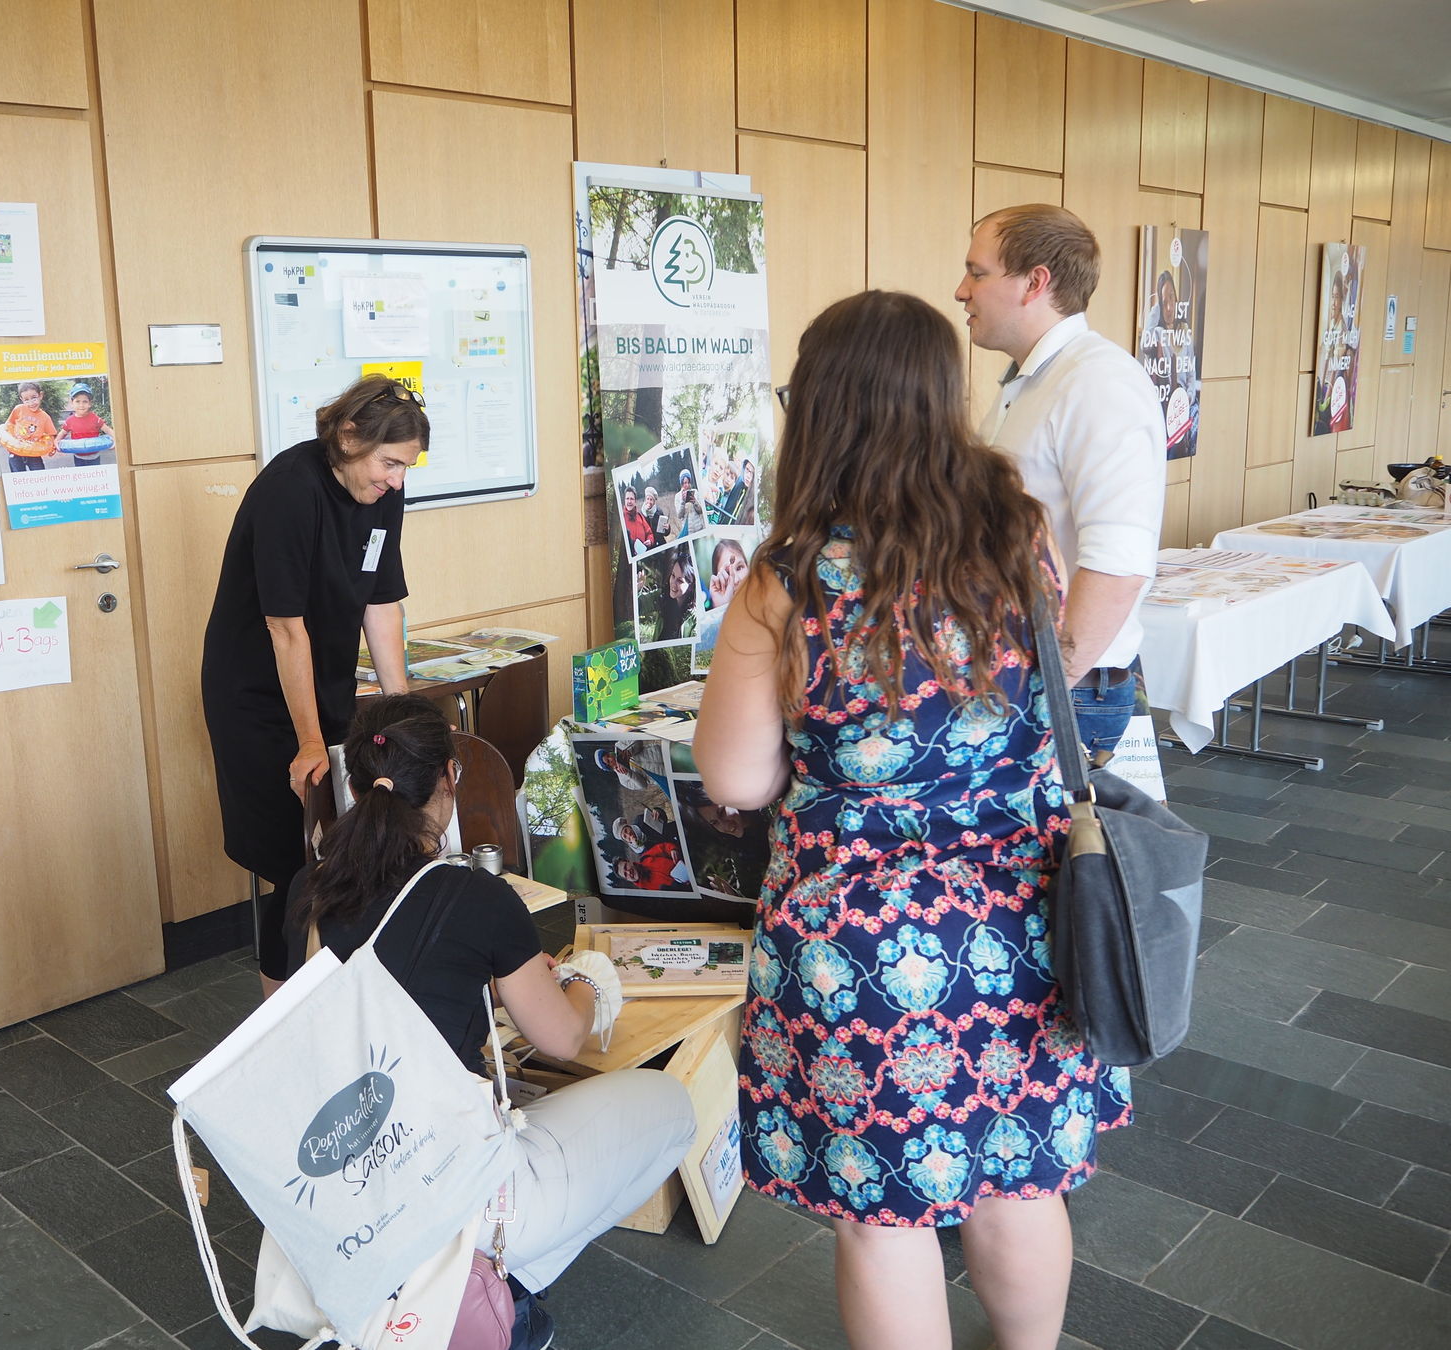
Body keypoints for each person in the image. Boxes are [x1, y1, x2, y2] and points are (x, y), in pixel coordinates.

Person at [693, 291, 1130, 1350]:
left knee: (885, 1211)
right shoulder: (1018, 537)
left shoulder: (790, 581)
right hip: (1025, 915)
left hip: (860, 943)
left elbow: (735, 778)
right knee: (1017, 1173)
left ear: (821, 410)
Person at [290, 695, 695, 1349]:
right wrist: (587, 979)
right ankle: (499, 1297)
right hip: (449, 1188)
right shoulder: (476, 896)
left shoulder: (305, 892)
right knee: (672, 1108)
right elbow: (562, 1036)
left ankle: (462, 1291)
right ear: (450, 776)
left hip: (343, 1191)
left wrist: (480, 985)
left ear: (356, 786)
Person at [201, 375, 423, 994]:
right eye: (389, 463)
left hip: (321, 682)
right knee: (295, 863)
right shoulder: (290, 490)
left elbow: (382, 601)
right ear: (349, 437)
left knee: (343, 847)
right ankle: (281, 1016)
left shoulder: (382, 491)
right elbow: (284, 628)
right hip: (255, 695)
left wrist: (403, 713)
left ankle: (342, 996)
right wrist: (307, 743)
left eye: (406, 466)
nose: (397, 480)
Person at [956, 204, 1164, 756]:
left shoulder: (1098, 383)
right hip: (1017, 676)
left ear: (1035, 283)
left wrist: (1043, 693)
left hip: (1062, 689)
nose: (961, 291)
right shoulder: (1032, 380)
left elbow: (1119, 565)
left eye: (977, 273)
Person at [0, 381, 59, 471]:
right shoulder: (19, 409)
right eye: (26, 400)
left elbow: (51, 435)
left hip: (34, 453)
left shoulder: (45, 417)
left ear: (40, 395)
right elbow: (9, 425)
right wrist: (3, 438)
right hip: (15, 452)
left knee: (39, 475)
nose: (31, 403)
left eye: (34, 398)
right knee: (18, 475)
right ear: (22, 399)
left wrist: (51, 447)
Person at [56, 382, 115, 467]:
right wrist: (56, 441)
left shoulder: (95, 418)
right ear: (72, 403)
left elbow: (108, 430)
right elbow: (62, 433)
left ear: (90, 403)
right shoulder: (69, 420)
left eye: (85, 401)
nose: (81, 405)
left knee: (95, 475)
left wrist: (115, 439)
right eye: (77, 401)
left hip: (94, 457)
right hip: (78, 457)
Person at [656, 544, 696, 642]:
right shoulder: (662, 596)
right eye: (673, 575)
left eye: (680, 580)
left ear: (691, 586)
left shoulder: (694, 618)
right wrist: (638, 589)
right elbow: (640, 604)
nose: (673, 583)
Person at [619, 484, 655, 555]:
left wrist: (650, 541)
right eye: (627, 499)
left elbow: (650, 533)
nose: (629, 501)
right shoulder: (620, 518)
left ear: (635, 501)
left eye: (631, 499)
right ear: (624, 500)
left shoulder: (640, 516)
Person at [673, 468, 706, 538]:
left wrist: (694, 502)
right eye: (685, 483)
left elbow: (701, 511)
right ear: (681, 483)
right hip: (688, 532)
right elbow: (679, 515)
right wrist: (683, 501)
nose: (687, 485)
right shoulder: (677, 496)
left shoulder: (695, 492)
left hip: (699, 528)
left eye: (688, 482)